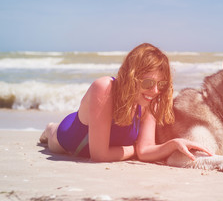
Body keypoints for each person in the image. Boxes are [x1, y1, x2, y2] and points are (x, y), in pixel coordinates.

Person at [40, 43, 212, 162]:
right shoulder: (105, 87)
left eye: (161, 84)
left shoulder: (149, 102)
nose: (155, 91)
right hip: (69, 138)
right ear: (132, 77)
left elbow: (145, 151)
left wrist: (173, 144)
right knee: (53, 133)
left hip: (97, 145)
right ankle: (50, 127)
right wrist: (134, 149)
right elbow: (99, 156)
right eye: (148, 83)